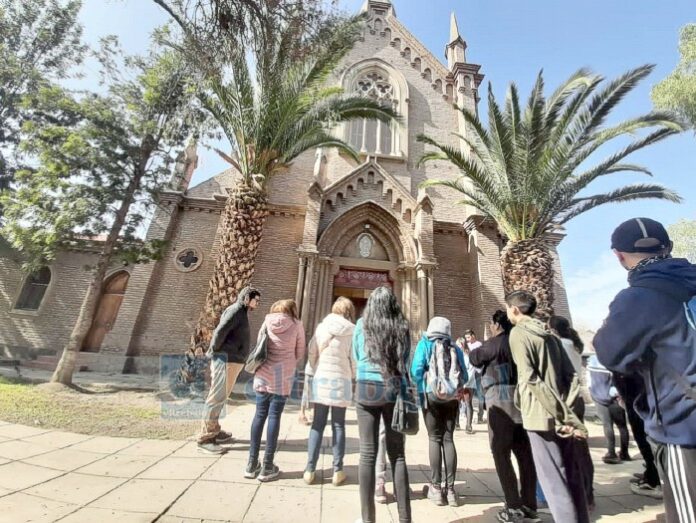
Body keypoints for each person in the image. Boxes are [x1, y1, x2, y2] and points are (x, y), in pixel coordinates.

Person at [594, 217, 696, 522]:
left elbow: (609, 352)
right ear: (670, 247)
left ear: (619, 256)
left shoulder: (638, 298)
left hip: (683, 428)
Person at [506, 290, 589, 523]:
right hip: (562, 412)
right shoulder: (550, 335)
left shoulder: (519, 334)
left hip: (539, 415)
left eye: (507, 309)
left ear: (514, 309)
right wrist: (568, 413)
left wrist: (558, 413)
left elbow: (530, 378)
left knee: (553, 481)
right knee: (571, 476)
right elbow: (572, 377)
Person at [469, 310, 538, 523]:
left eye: (491, 324)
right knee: (524, 454)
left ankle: (513, 507)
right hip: (523, 400)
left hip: (500, 399)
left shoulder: (496, 343)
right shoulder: (519, 342)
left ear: (497, 325)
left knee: (501, 453)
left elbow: (475, 357)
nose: (491, 327)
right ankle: (529, 506)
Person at [353, 286, 412, 523]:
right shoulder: (402, 326)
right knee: (397, 455)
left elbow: (357, 355)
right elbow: (405, 358)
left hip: (366, 386)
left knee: (367, 454)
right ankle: (405, 518)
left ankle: (368, 519)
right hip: (392, 388)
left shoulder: (361, 325)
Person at [245, 299, 306, 482]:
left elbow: (259, 346)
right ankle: (267, 465)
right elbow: (300, 351)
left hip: (263, 375)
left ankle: (251, 463)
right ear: (292, 310)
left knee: (259, 415)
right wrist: (288, 361)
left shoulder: (267, 321)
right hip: (282, 377)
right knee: (274, 417)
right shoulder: (296, 325)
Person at [411, 316, 467, 507]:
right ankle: (450, 491)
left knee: (434, 439)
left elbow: (415, 370)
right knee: (449, 439)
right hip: (452, 400)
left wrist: (424, 385)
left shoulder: (424, 344)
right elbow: (465, 375)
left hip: (431, 397)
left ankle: (435, 489)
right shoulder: (455, 347)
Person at [197, 286, 261, 454]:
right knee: (216, 397)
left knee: (221, 396)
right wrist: (215, 352)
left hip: (232, 360)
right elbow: (220, 332)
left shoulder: (241, 312)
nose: (257, 303)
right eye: (256, 299)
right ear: (247, 298)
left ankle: (215, 430)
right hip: (225, 360)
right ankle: (206, 438)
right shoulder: (235, 311)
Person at [303, 297, 356, 487]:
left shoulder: (321, 327)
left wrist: (314, 367)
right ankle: (337, 471)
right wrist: (353, 376)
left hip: (322, 379)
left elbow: (312, 351)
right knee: (339, 425)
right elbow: (354, 359)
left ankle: (309, 470)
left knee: (317, 425)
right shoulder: (352, 331)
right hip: (341, 381)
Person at [548, 315, 595, 510]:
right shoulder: (574, 345)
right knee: (581, 448)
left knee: (568, 449)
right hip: (577, 399)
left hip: (566, 399)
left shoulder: (560, 344)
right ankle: (588, 493)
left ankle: (577, 497)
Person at [613, 372, 663, 499]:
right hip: (637, 397)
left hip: (640, 397)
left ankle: (654, 479)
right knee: (644, 439)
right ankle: (652, 473)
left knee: (646, 440)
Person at [587, 355, 630, 464]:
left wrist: (593, 393)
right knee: (622, 426)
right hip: (614, 397)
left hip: (598, 397)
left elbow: (589, 381)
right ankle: (624, 453)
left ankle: (611, 452)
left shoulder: (591, 361)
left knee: (607, 425)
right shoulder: (611, 361)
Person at [456, 336, 479, 434]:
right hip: (458, 384)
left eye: (458, 345)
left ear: (462, 345)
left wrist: (465, 383)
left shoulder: (468, 356)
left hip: (467, 384)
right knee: (456, 404)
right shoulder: (457, 356)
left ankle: (468, 426)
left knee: (468, 403)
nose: (457, 347)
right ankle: (456, 424)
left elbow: (471, 371)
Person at [465, 329, 486, 424]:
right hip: (469, 373)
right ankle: (467, 415)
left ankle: (480, 416)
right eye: (466, 338)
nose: (467, 339)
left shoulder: (479, 345)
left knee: (480, 393)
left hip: (477, 372)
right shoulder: (467, 345)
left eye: (468, 337)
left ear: (473, 335)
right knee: (467, 394)